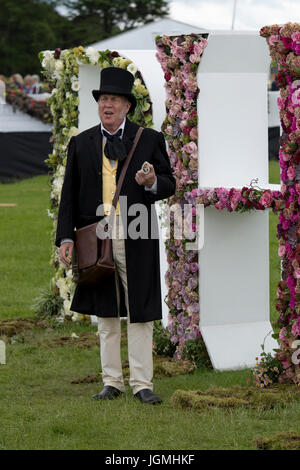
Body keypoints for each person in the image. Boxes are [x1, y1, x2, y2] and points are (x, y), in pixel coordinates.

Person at [56, 67, 176, 405]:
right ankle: (112, 382)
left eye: (114, 99)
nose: (107, 105)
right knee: (106, 312)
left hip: (137, 232)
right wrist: (66, 237)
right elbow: (69, 194)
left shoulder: (149, 140)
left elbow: (169, 184)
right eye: (103, 99)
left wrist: (150, 181)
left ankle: (142, 383)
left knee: (140, 307)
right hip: (96, 234)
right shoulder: (82, 143)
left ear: (126, 106)